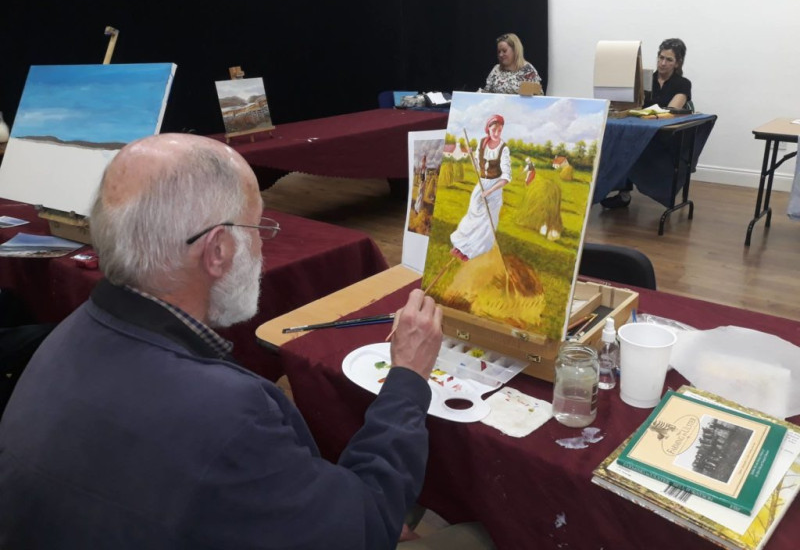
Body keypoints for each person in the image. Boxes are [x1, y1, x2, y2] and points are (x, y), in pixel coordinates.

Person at [0, 134, 493, 549]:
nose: (262, 244)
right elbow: (366, 529)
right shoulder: (228, 412)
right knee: (479, 535)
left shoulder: (65, 334)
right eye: (258, 228)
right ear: (216, 250)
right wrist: (406, 377)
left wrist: (327, 501)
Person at [601, 38, 692, 209]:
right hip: (640, 131)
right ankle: (622, 192)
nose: (662, 63)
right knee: (619, 141)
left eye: (669, 60)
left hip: (663, 136)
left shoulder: (683, 84)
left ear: (678, 63)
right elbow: (630, 103)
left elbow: (672, 111)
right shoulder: (644, 78)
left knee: (626, 144)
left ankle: (623, 191)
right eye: (661, 57)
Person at [450, 115, 510, 261]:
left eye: (499, 130)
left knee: (485, 222)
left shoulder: (504, 149)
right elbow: (479, 167)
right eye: (494, 130)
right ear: (488, 129)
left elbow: (506, 177)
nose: (496, 133)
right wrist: (472, 156)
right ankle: (461, 246)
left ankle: (472, 253)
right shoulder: (482, 143)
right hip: (481, 183)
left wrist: (489, 191)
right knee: (473, 214)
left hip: (494, 189)